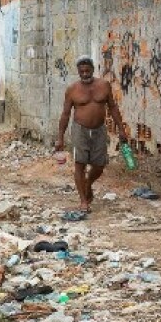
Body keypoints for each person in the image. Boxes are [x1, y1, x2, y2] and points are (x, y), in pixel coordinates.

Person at [55, 56, 128, 212]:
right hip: (80, 130)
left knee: (99, 165)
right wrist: (60, 138)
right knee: (80, 164)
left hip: (99, 130)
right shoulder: (72, 90)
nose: (85, 74)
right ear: (78, 72)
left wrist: (121, 129)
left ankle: (87, 183)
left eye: (88, 70)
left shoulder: (104, 85)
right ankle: (83, 201)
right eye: (82, 71)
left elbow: (113, 108)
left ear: (93, 70)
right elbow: (65, 114)